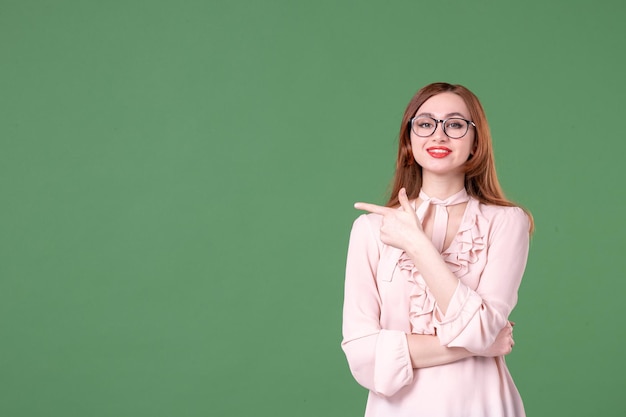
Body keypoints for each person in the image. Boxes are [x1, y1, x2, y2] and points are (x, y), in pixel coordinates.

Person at [341, 82, 534, 417]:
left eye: (456, 125)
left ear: (476, 143)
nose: (439, 136)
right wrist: (478, 345)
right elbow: (361, 354)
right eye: (426, 123)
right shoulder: (371, 230)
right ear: (408, 140)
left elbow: (481, 329)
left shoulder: (507, 222)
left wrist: (417, 245)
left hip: (482, 405)